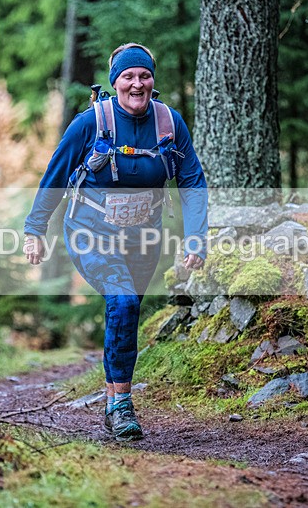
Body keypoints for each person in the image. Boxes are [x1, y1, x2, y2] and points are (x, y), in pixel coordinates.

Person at [23, 43, 208, 441]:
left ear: (152, 81)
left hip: (144, 237)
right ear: (115, 82)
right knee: (122, 300)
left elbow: (192, 181)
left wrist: (196, 239)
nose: (137, 83)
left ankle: (112, 399)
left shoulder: (170, 123)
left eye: (144, 75)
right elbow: (55, 175)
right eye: (128, 76)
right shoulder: (90, 122)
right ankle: (122, 406)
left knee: (126, 311)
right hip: (91, 231)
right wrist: (34, 230)